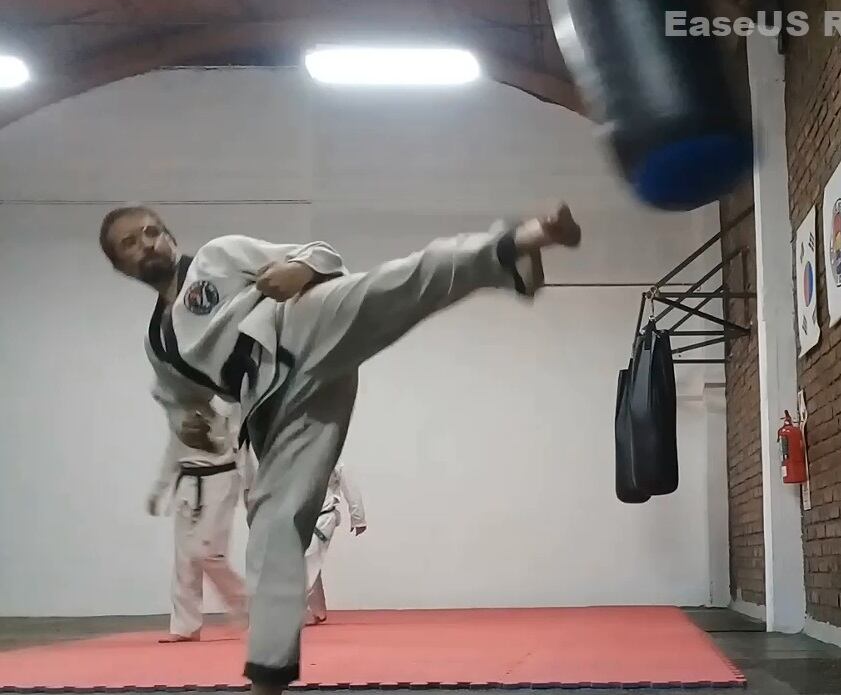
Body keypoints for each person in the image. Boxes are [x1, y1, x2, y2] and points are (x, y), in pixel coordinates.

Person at [98, 203, 581, 695]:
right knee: (274, 526)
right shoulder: (160, 344)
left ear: (170, 236)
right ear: (119, 266)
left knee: (394, 283)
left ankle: (519, 245)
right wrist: (194, 426)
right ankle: (267, 677)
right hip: (274, 405)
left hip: (297, 324)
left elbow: (320, 254)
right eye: (130, 244)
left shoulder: (218, 257)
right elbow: (181, 404)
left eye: (151, 232)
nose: (147, 244)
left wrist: (300, 269)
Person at [146, 397, 255, 643]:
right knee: (185, 558)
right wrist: (159, 488)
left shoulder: (228, 399)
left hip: (221, 479)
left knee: (207, 552)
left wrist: (251, 485)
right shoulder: (180, 402)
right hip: (187, 482)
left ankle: (244, 602)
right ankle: (185, 626)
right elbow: (173, 448)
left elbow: (243, 442)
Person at [304, 462, 366, 626]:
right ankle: (318, 610)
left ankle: (291, 613)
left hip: (324, 517)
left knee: (308, 560)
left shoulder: (334, 458)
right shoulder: (295, 456)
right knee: (309, 562)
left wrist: (358, 518)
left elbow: (350, 488)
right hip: (300, 518)